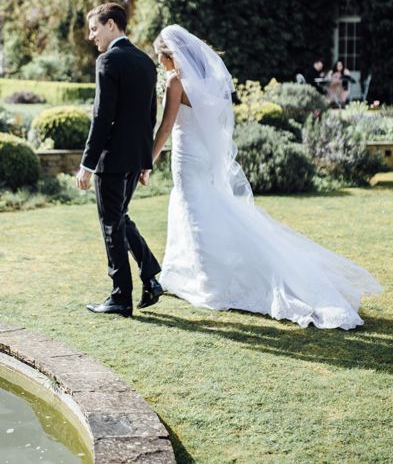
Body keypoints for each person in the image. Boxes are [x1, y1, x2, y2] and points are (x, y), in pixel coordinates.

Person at [152, 25, 382, 329]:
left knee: (193, 214)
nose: (160, 63)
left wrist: (149, 158)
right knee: (205, 212)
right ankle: (193, 272)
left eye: (160, 57)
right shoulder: (209, 83)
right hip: (206, 158)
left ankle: (209, 282)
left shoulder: (175, 81)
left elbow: (167, 126)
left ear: (171, 55)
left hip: (187, 158)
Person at [76, 3, 163, 318]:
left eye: (95, 29)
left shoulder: (108, 60)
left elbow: (102, 117)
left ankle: (120, 298)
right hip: (134, 158)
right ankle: (151, 274)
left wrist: (87, 164)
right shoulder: (145, 62)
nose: (91, 36)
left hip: (112, 161)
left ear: (111, 25)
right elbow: (149, 116)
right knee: (121, 218)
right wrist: (145, 160)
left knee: (111, 223)